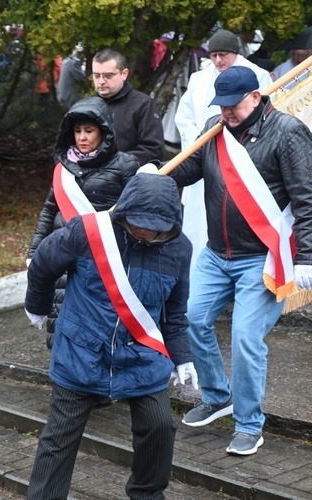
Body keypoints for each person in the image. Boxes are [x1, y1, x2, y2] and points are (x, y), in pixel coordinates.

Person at [25, 172, 196, 499]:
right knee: (59, 439)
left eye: (155, 224)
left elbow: (173, 313)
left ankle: (147, 495)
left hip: (141, 356)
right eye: (138, 221)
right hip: (82, 352)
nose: (145, 229)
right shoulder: (88, 232)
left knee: (160, 426)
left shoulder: (179, 250)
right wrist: (38, 305)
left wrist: (183, 357)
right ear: (124, 210)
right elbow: (43, 264)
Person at [168, 66, 312, 455]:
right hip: (216, 255)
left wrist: (307, 257)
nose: (226, 112)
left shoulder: (287, 132)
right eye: (222, 105)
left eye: (233, 105)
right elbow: (187, 169)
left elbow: (306, 197)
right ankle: (218, 397)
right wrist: (156, 175)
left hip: (262, 259)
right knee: (191, 319)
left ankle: (249, 424)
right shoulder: (216, 130)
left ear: (255, 96)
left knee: (246, 339)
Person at [26, 96, 139, 346]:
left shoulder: (125, 165)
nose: (82, 137)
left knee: (99, 325)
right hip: (64, 255)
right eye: (77, 131)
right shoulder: (64, 166)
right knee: (61, 321)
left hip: (104, 256)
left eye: (89, 131)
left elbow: (135, 211)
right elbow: (48, 210)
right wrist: (34, 250)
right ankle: (62, 374)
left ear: (104, 132)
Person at [174, 28, 273, 270]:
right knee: (199, 217)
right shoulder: (199, 78)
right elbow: (183, 117)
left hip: (243, 157)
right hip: (206, 154)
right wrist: (198, 141)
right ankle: (199, 269)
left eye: (224, 55)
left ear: (235, 53)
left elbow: (268, 114)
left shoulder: (257, 75)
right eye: (214, 55)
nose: (219, 60)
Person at [91, 48, 165, 165]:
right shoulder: (88, 105)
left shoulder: (143, 104)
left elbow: (153, 149)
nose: (101, 81)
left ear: (124, 74)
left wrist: (113, 164)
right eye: (96, 75)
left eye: (108, 75)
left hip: (128, 178)